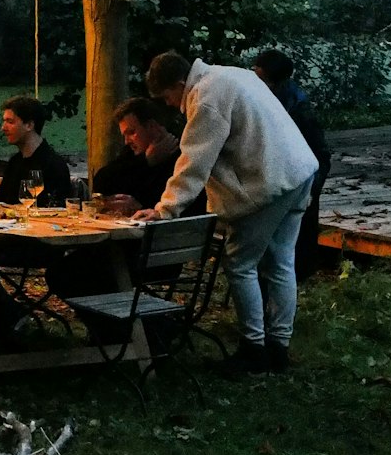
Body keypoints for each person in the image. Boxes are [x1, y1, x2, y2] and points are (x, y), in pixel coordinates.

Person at [136, 51, 320, 374]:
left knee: (240, 264)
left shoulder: (206, 97)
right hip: (298, 171)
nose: (170, 104)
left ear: (179, 83)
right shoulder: (231, 75)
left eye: (167, 96)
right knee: (280, 261)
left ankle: (253, 349)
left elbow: (194, 162)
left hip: (270, 181)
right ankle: (278, 347)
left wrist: (164, 210)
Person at [252, 49, 332, 278]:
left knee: (296, 245)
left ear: (276, 82)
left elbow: (320, 155)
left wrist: (312, 190)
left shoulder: (298, 108)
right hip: (275, 177)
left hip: (301, 178)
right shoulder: (261, 98)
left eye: (261, 79)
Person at [92, 97, 202, 214]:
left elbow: (185, 202)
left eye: (131, 132)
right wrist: (146, 161)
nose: (127, 141)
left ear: (151, 126)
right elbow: (102, 181)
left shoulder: (184, 154)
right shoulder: (133, 153)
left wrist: (141, 205)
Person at [0, 95, 72, 207]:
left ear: (29, 125)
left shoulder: (54, 165)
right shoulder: (14, 162)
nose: (3, 128)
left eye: (10, 122)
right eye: (4, 121)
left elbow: (56, 210)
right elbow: (1, 203)